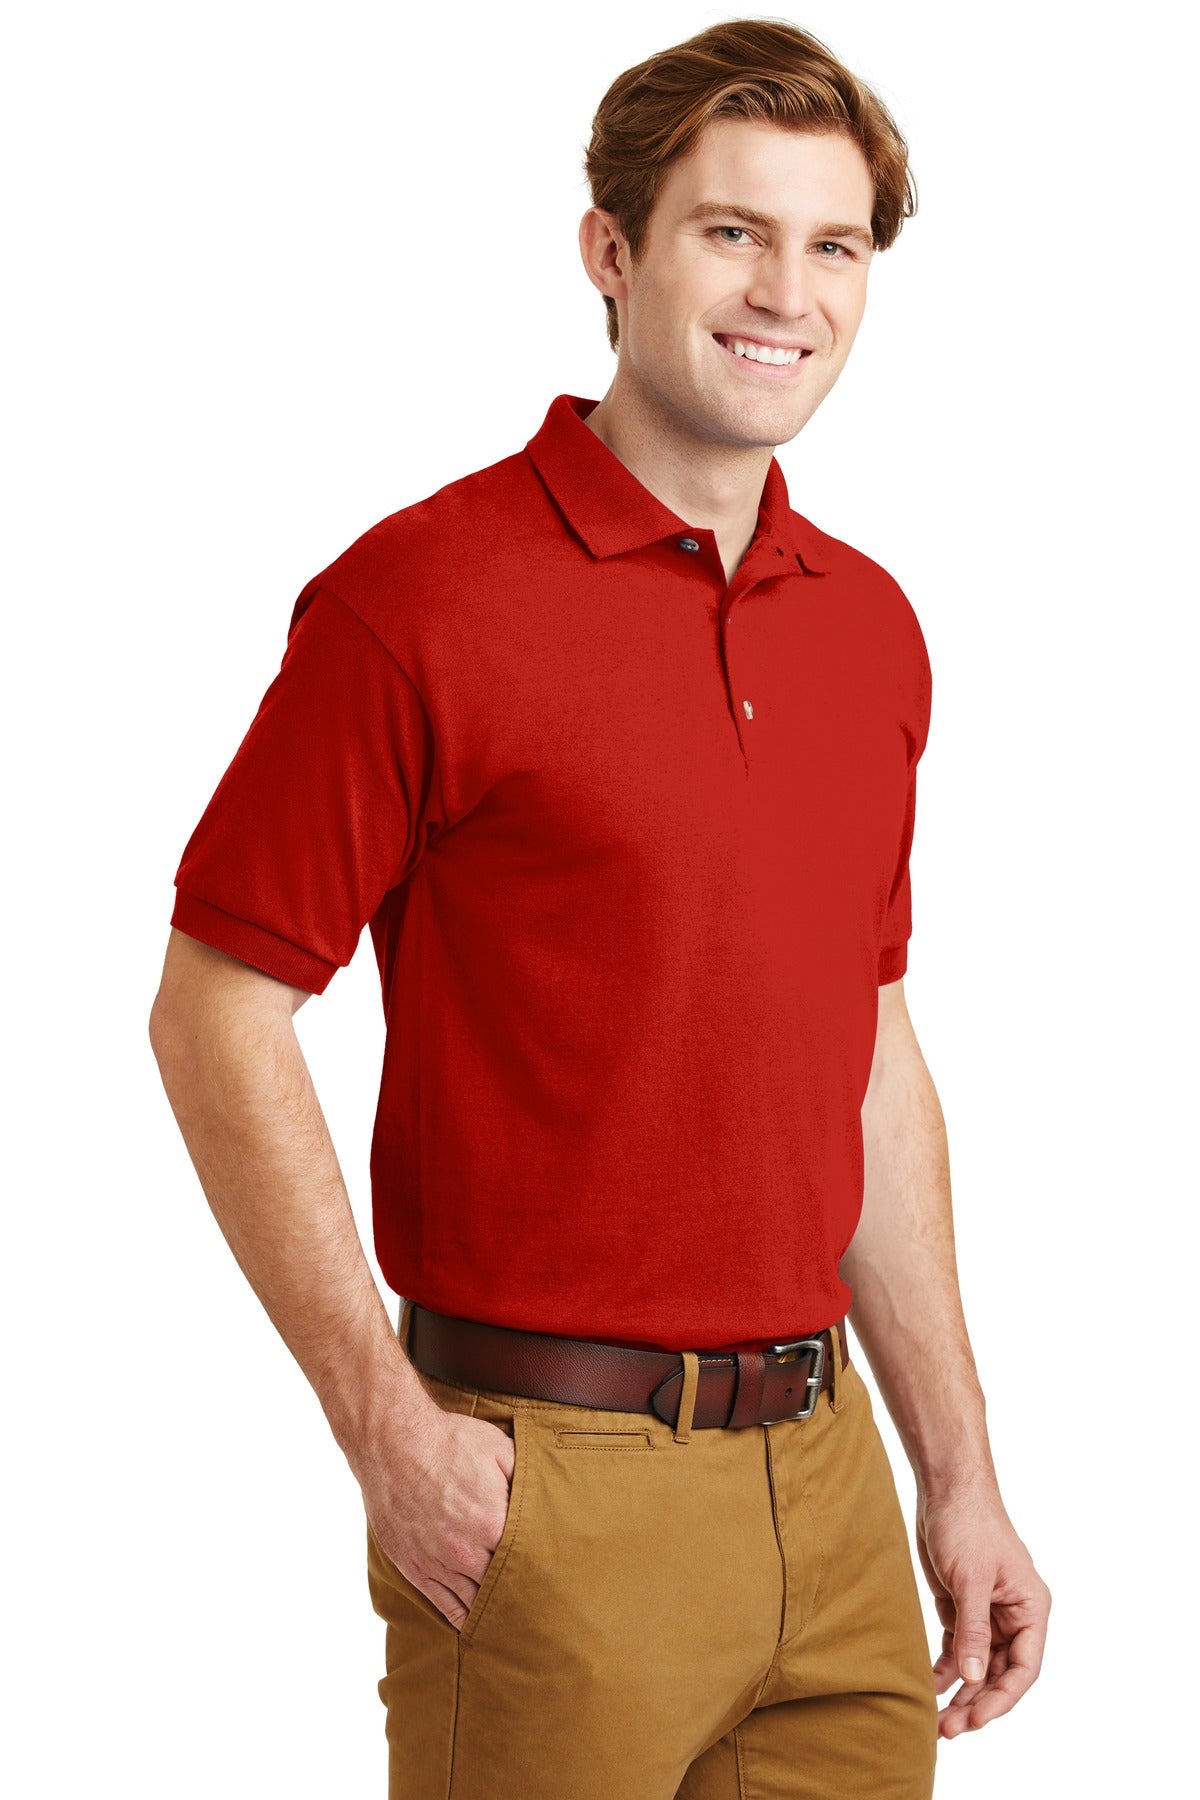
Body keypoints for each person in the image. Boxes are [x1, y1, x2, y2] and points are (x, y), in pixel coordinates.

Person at [149, 17, 1050, 1797]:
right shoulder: (418, 603)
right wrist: (384, 1428)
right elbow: (217, 1009)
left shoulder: (868, 629)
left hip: (834, 1498)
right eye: (733, 231)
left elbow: (863, 1048)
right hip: (549, 1490)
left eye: (834, 245)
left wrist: (960, 1473)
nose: (786, 291)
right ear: (612, 250)